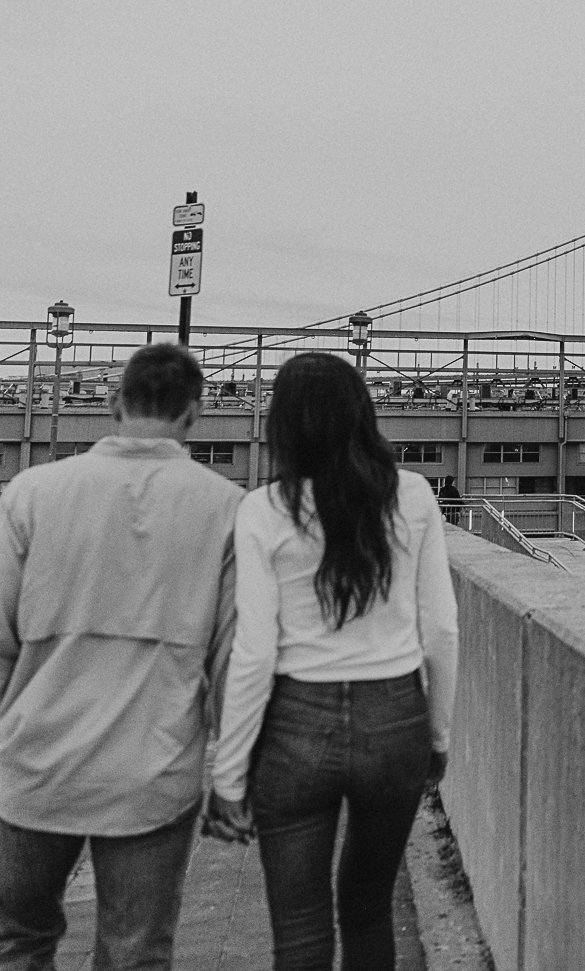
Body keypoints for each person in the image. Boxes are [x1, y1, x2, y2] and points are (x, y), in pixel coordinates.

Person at [0, 344, 242, 971]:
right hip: (154, 772)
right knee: (135, 954)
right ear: (195, 415)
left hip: (36, 766)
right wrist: (231, 772)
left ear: (114, 404)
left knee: (14, 942)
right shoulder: (226, 508)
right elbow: (232, 659)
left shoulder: (34, 491)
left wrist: (0, 718)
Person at [205, 352, 459, 971]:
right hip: (394, 715)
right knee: (369, 910)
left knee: (299, 929)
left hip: (295, 723)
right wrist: (438, 734)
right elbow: (442, 631)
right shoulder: (414, 495)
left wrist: (228, 773)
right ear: (361, 414)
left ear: (283, 425)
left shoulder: (264, 509)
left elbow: (254, 654)